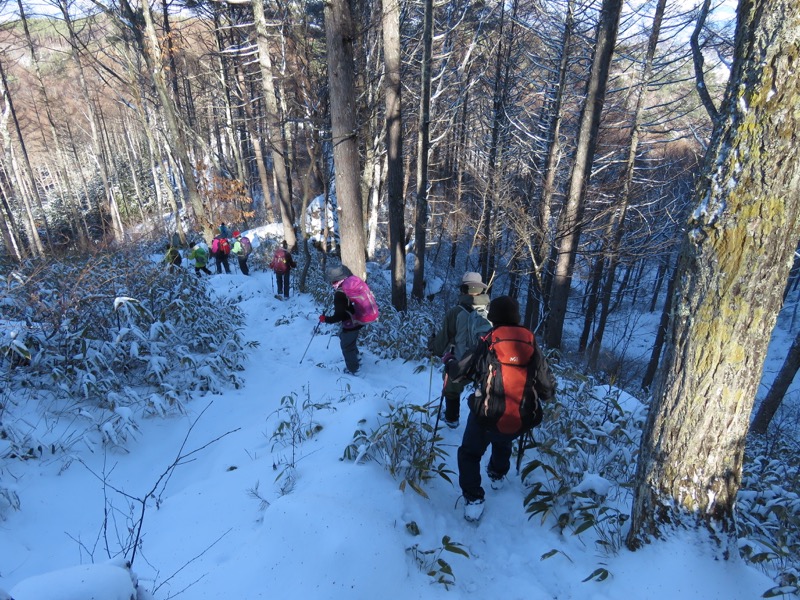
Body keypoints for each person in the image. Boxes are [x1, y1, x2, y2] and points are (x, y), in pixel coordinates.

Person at [443, 296, 555, 522]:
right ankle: (497, 473)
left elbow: (461, 372)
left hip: (486, 414)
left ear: (493, 317)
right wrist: (546, 396)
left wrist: (449, 361)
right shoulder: (530, 341)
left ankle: (474, 498)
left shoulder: (488, 340)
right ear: (517, 316)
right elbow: (546, 384)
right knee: (504, 438)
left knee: (470, 453)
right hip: (520, 413)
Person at [429, 272, 491, 429]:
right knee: (481, 392)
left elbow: (442, 341)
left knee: (451, 389)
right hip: (483, 365)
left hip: (459, 362)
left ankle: (452, 418)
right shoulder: (489, 313)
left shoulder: (455, 312)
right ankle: (480, 424)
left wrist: (433, 347)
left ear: (463, 290)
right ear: (481, 291)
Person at [318, 264, 379, 374]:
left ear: (333, 280)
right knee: (347, 338)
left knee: (346, 346)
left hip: (351, 323)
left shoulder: (340, 293)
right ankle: (356, 357)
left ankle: (354, 370)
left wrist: (325, 319)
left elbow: (339, 316)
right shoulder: (351, 282)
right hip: (360, 318)